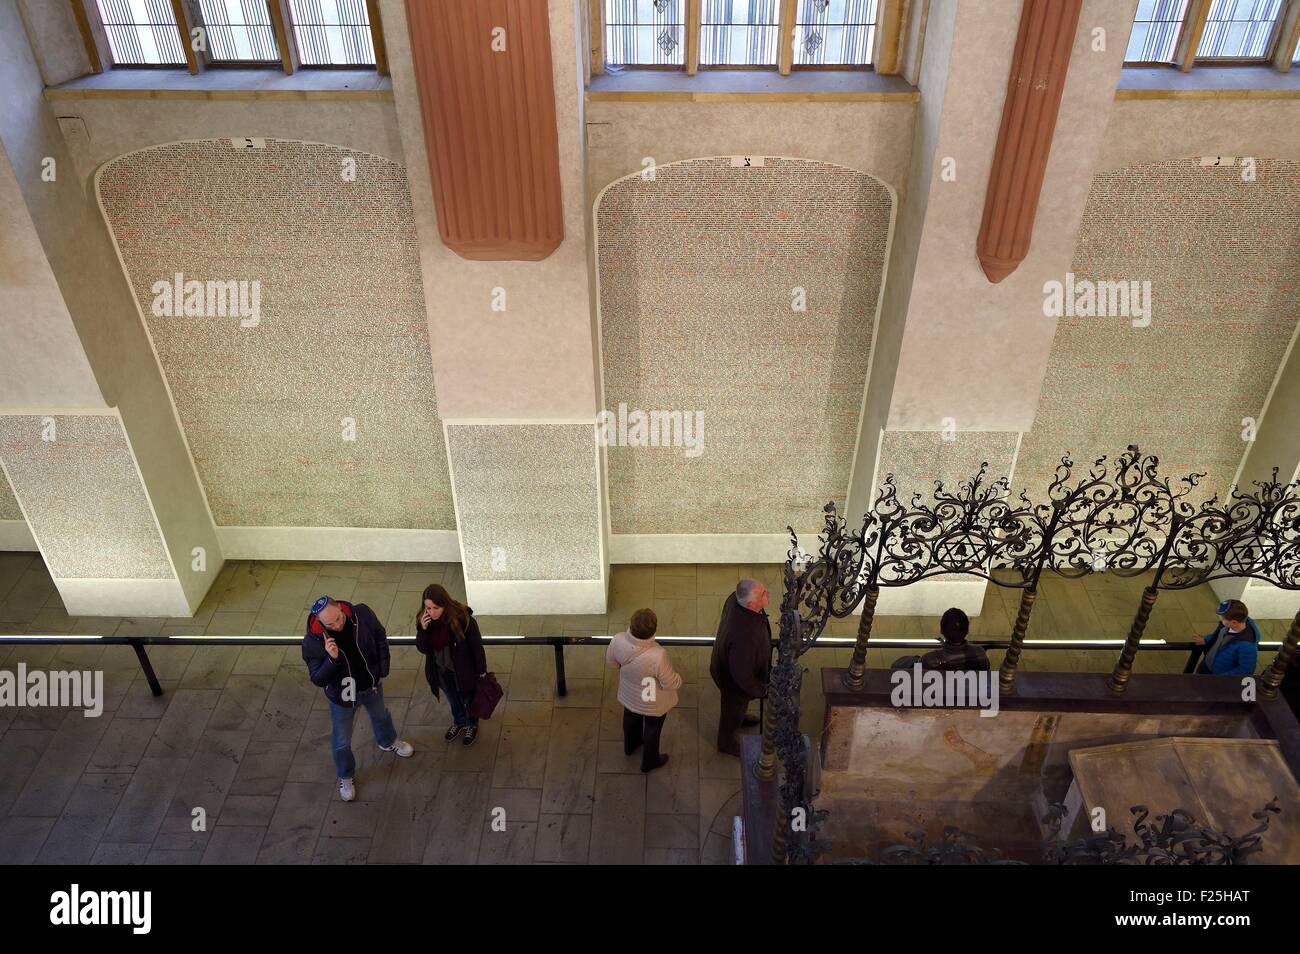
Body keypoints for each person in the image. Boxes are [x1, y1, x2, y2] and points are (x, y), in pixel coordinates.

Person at [302, 595, 412, 803]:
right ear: (319, 622)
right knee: (341, 740)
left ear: (341, 608)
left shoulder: (361, 613)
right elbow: (317, 678)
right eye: (329, 624)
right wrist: (332, 659)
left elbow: (379, 636)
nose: (336, 625)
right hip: (342, 696)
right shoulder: (313, 642)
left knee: (381, 715)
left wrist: (382, 670)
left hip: (370, 684)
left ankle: (388, 741)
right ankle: (346, 775)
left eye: (338, 619)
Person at [606, 608, 682, 773]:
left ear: (631, 626)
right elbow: (669, 683)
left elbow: (612, 664)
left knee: (630, 717)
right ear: (654, 630)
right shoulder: (658, 655)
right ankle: (650, 760)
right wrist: (678, 680)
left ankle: (630, 745)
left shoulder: (617, 640)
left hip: (629, 693)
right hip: (651, 698)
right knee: (652, 728)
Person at [414, 583, 488, 746]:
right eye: (428, 608)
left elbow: (476, 646)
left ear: (444, 604)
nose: (431, 612)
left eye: (435, 608)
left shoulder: (462, 618)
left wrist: (481, 670)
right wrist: (423, 630)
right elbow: (423, 648)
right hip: (441, 671)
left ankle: (471, 724)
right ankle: (460, 721)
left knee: (469, 698)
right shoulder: (424, 620)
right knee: (453, 698)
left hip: (462, 671)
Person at [710, 578, 772, 757]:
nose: (768, 594)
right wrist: (761, 690)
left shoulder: (736, 600)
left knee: (737, 709)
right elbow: (742, 675)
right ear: (752, 604)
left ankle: (741, 717)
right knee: (732, 711)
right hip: (734, 685)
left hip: (726, 668)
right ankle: (726, 742)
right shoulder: (744, 637)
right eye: (763, 594)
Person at [892, 608, 990, 672]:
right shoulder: (980, 654)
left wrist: (917, 659)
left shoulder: (930, 660)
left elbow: (896, 666)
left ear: (942, 630)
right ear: (967, 630)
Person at [1187, 599, 1261, 676]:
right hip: (1207, 665)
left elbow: (1246, 670)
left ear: (1234, 622)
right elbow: (1219, 634)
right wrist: (1206, 639)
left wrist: (1221, 678)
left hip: (1217, 675)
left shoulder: (1248, 646)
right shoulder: (1234, 622)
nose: (1221, 619)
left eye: (1223, 618)